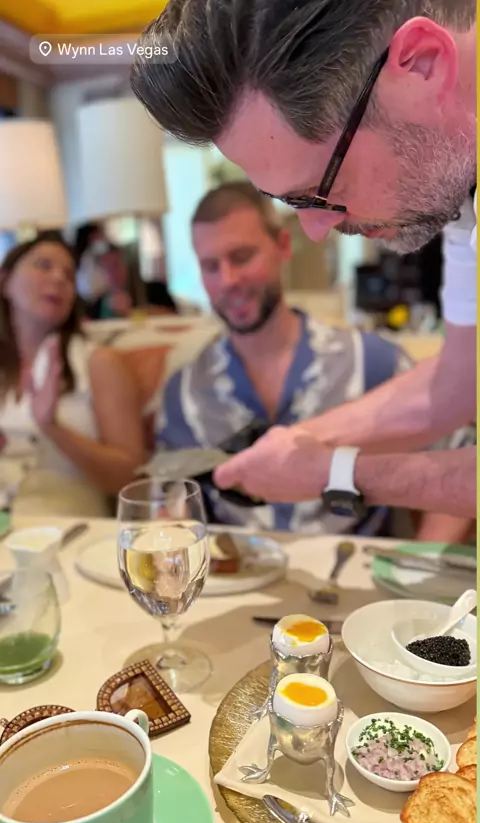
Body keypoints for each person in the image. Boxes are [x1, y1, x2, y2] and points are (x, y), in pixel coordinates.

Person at [130, 0, 476, 519]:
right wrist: (293, 443)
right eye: (290, 203)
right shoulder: (462, 191)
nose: (316, 230)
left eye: (319, 191)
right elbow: (460, 381)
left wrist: (336, 474)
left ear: (423, 64)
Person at [155, 182, 470, 538]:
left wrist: (424, 556)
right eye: (210, 266)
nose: (227, 280)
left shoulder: (372, 361)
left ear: (283, 246)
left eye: (242, 257)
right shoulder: (184, 394)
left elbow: (459, 445)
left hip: (356, 566)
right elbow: (170, 498)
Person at [0, 236, 145, 516]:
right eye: (44, 266)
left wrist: (53, 428)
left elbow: (129, 479)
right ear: (4, 282)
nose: (58, 278)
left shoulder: (99, 363)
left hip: (67, 524)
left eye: (69, 274)